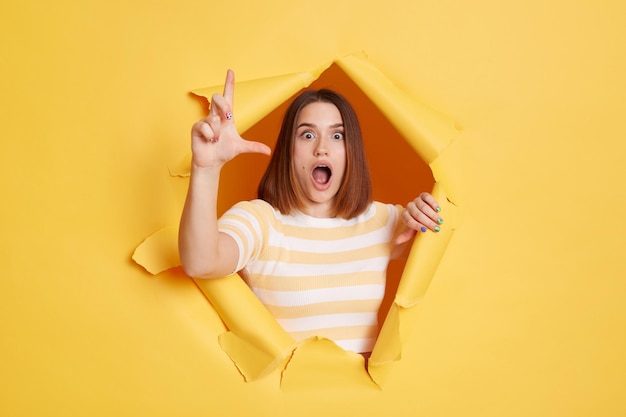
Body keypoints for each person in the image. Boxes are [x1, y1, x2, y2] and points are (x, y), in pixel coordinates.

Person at [179, 70, 443, 354]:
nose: (322, 149)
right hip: (287, 396)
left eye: (337, 135)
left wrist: (424, 213)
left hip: (367, 396)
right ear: (289, 151)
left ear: (350, 150)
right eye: (307, 135)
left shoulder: (381, 221)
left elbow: (446, 250)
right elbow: (201, 262)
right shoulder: (260, 222)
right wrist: (206, 169)